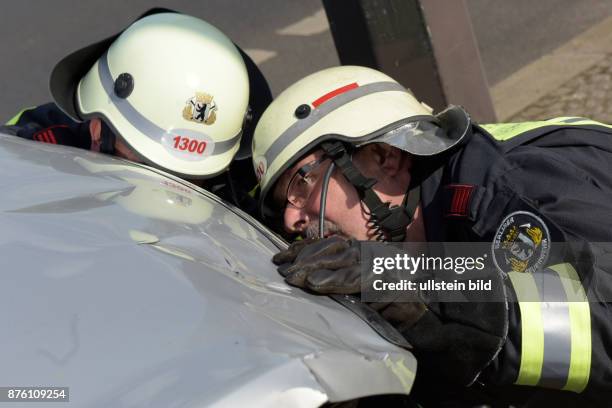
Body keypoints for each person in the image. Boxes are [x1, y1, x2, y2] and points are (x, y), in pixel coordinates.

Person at [250, 65, 612, 406]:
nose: (292, 218)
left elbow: (598, 323)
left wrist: (415, 281)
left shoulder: (510, 189)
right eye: (283, 205)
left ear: (383, 156)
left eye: (303, 183)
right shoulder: (443, 211)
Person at [1, 8, 271, 213]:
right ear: (97, 130)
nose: (169, 192)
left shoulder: (242, 185)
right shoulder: (37, 151)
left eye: (193, 179)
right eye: (145, 169)